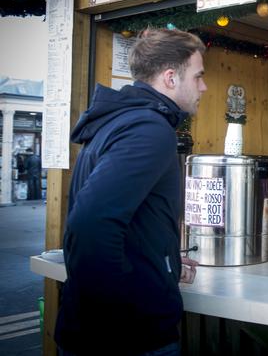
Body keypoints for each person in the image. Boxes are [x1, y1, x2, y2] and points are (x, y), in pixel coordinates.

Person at [55, 28, 208, 356]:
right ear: (170, 78)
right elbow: (90, 225)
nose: (203, 86)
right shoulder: (149, 130)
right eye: (198, 76)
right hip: (126, 338)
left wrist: (158, 261)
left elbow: (127, 220)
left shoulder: (120, 121)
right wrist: (125, 308)